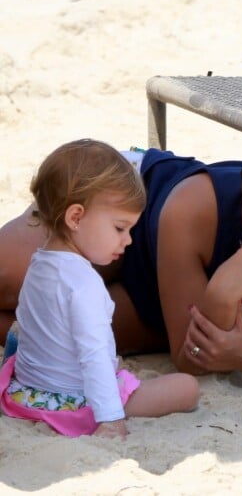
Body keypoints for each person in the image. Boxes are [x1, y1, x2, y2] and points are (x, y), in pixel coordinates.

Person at [0, 115, 242, 390]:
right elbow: (196, 356)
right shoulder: (198, 206)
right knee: (8, 280)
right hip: (127, 206)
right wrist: (221, 294)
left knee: (55, 333)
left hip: (164, 304)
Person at [0, 140, 199, 438]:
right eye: (120, 228)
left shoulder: (39, 263)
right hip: (73, 402)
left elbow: (30, 330)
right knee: (187, 388)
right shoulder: (84, 283)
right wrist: (110, 417)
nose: (128, 240)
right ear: (76, 217)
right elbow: (92, 354)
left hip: (25, 394)